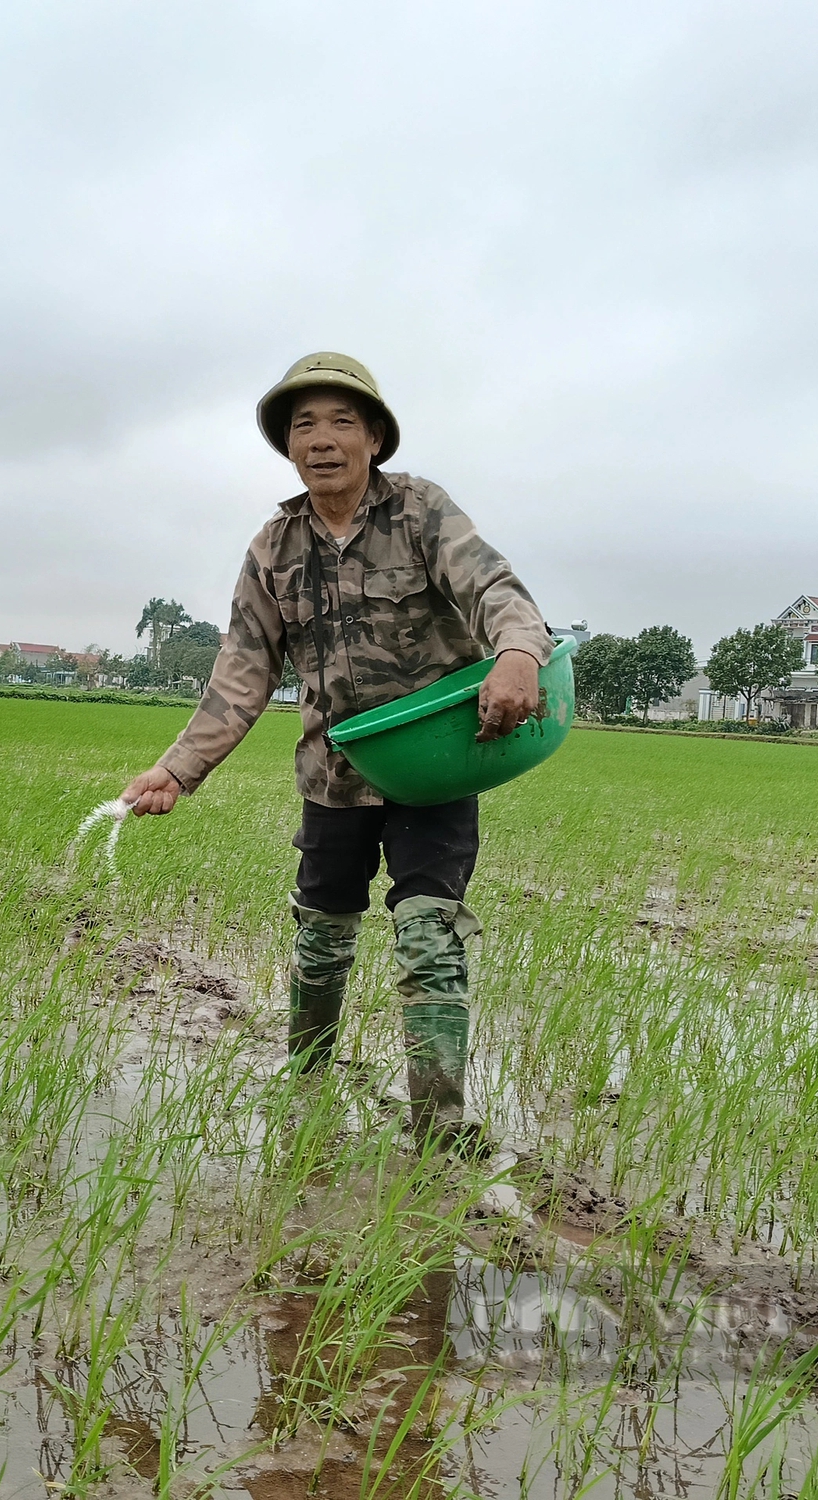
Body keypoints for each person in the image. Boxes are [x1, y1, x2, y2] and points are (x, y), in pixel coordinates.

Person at [121, 352, 552, 1149]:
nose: (321, 439)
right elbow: (243, 670)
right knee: (322, 938)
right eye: (303, 425)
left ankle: (439, 1130)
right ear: (288, 446)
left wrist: (519, 654)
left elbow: (493, 589)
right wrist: (178, 770)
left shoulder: (422, 513)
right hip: (334, 775)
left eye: (341, 422)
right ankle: (307, 1087)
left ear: (376, 438)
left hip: (432, 768)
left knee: (430, 936)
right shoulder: (274, 547)